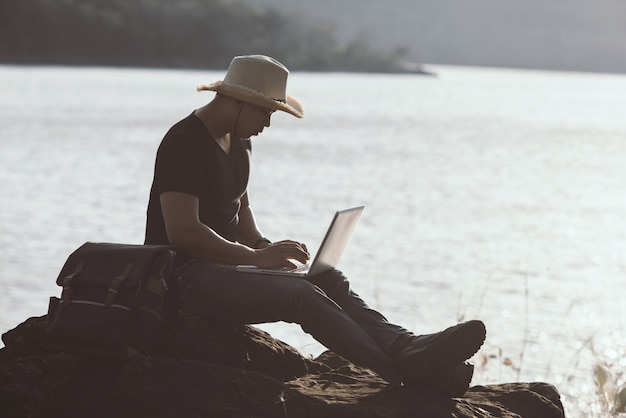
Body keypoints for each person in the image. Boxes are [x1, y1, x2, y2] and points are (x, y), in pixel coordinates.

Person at [144, 55, 486, 396]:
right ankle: (403, 371)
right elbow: (183, 232)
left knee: (324, 278)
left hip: (224, 270)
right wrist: (255, 258)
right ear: (238, 102)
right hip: (182, 278)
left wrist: (265, 247)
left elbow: (239, 209)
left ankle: (404, 344)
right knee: (301, 295)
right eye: (265, 111)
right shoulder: (184, 142)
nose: (268, 122)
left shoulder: (240, 141)